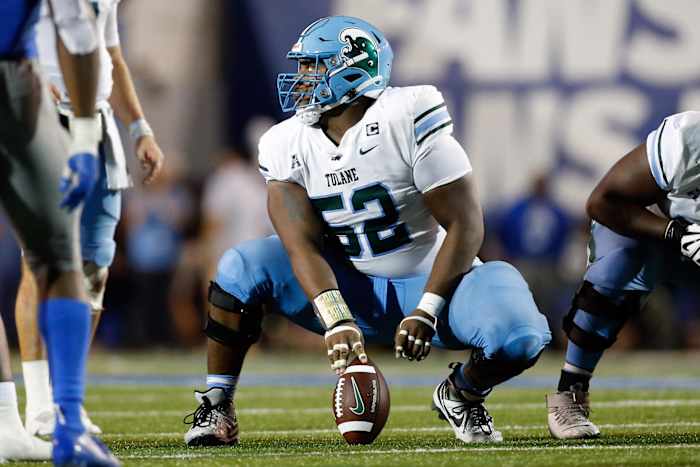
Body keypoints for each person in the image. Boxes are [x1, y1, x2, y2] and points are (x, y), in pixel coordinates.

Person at [183, 16, 551, 446]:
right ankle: (217, 402)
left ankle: (461, 393)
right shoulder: (286, 142)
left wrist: (428, 308)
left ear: (354, 69)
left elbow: (467, 225)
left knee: (521, 335)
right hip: (349, 286)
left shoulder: (408, 115)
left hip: (436, 287)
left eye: (313, 66)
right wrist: (336, 318)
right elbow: (299, 243)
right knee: (241, 266)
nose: (301, 78)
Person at [15, 0, 165, 437]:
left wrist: (140, 128)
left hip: (97, 127)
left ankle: (68, 399)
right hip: (41, 121)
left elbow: (111, 57)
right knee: (41, 264)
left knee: (94, 272)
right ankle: (40, 404)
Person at [0, 0, 119, 464]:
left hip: (16, 77)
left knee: (59, 252)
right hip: (13, 80)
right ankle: (61, 424)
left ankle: (38, 419)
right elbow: (77, 28)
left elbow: (82, 30)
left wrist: (88, 132)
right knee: (59, 254)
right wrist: (88, 135)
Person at [546, 111, 700, 439]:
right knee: (621, 261)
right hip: (661, 240)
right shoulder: (688, 139)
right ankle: (570, 391)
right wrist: (675, 233)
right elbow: (604, 202)